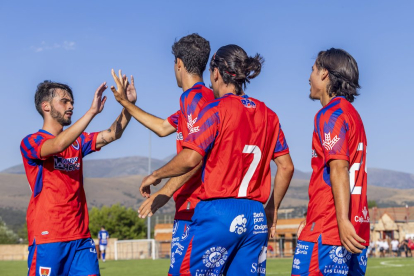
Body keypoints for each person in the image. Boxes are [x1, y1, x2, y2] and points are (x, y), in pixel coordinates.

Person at [139, 44, 294, 276]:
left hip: (219, 213)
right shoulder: (269, 115)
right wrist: (272, 208)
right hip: (256, 216)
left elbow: (191, 158)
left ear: (216, 73)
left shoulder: (216, 110)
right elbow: (286, 166)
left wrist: (155, 174)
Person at [110, 33, 214, 274]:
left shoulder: (194, 97)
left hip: (197, 207)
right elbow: (161, 127)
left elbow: (198, 157)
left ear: (179, 63)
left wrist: (164, 189)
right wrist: (127, 103)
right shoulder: (204, 98)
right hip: (199, 206)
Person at [21, 77, 136, 276]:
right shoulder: (31, 141)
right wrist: (91, 112)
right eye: (64, 101)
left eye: (72, 101)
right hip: (48, 238)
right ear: (45, 106)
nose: (71, 105)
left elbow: (111, 134)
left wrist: (129, 105)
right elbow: (57, 145)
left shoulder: (78, 142)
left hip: (81, 238)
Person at [292, 48, 369, 276]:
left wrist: (341, 220)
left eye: (313, 70)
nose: (309, 77)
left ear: (325, 74)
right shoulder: (352, 114)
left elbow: (338, 168)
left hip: (330, 230)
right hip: (357, 230)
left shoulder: (330, 114)